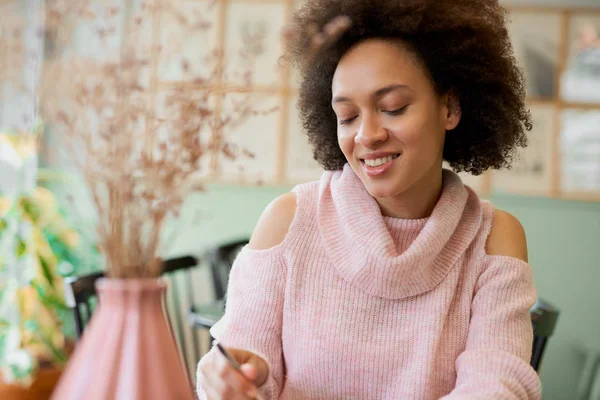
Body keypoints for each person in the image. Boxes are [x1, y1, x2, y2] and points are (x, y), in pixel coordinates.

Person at [197, 0, 541, 398]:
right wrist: (231, 378)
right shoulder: (289, 221)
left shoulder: (493, 239)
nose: (367, 135)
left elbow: (497, 384)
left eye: (392, 108)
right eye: (347, 116)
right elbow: (242, 357)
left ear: (450, 107)